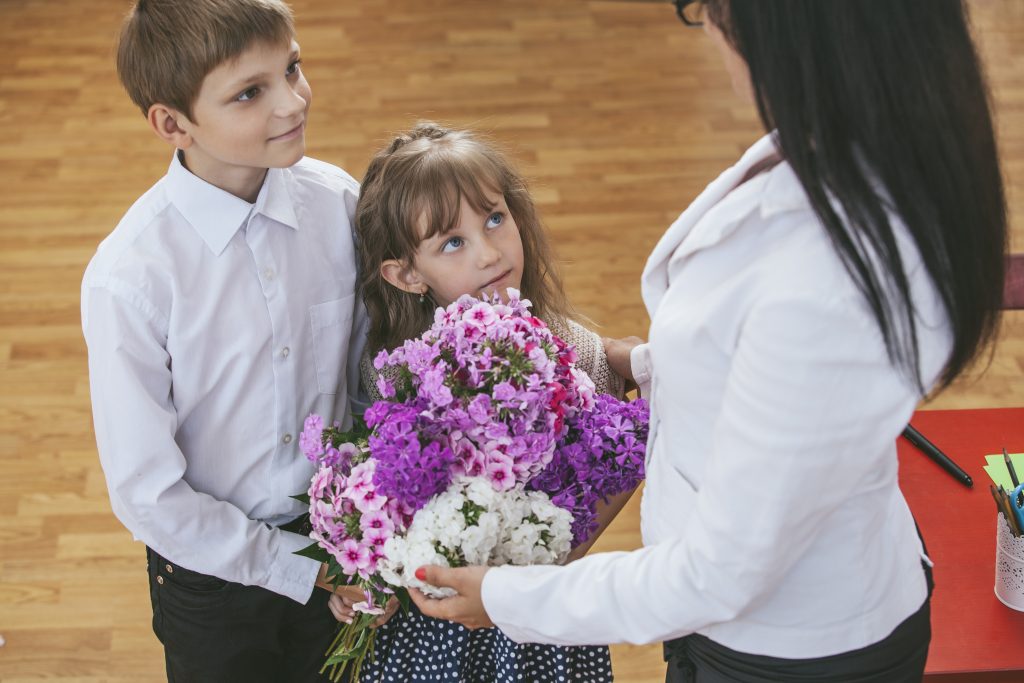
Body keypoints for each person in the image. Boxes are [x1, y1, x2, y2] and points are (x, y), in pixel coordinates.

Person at [408, 1, 1008, 682]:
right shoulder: (829, 150)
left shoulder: (830, 284)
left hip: (786, 648)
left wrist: (504, 595)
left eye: (719, 16)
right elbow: (757, 362)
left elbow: (719, 573)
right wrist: (642, 364)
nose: (716, 34)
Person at [80, 1, 368, 680]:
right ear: (172, 123)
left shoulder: (338, 206)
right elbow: (147, 491)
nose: (292, 102)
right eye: (250, 92)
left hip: (338, 541)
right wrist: (289, 565)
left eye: (292, 68)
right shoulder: (131, 279)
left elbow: (364, 375)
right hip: (208, 580)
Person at [336, 121, 631, 682]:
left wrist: (533, 572)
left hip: (539, 627)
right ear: (404, 274)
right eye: (453, 242)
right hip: (429, 634)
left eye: (495, 218)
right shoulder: (392, 377)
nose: (490, 253)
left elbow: (619, 462)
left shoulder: (571, 350)